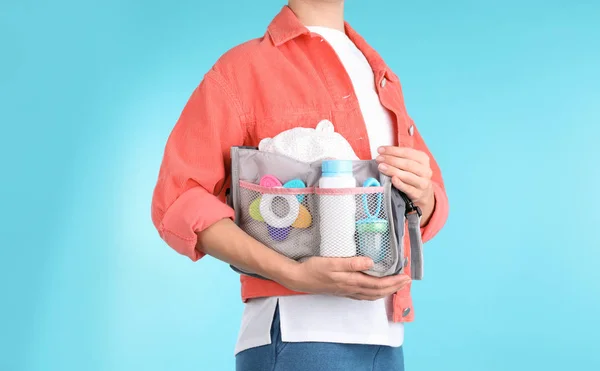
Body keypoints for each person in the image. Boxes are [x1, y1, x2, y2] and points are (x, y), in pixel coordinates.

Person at [151, 1, 449, 370]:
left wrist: (424, 195)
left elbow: (429, 204)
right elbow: (180, 199)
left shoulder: (379, 75)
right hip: (296, 335)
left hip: (386, 339)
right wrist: (292, 274)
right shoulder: (243, 70)